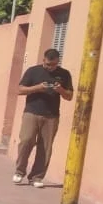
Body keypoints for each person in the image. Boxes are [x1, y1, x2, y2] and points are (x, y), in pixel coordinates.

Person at [14, 48, 73, 188]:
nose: (50, 67)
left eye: (53, 65)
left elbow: (69, 96)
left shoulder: (64, 74)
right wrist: (38, 88)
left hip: (51, 115)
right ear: (43, 60)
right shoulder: (33, 71)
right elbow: (20, 90)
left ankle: (37, 177)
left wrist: (60, 90)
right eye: (47, 64)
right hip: (32, 112)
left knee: (45, 147)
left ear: (58, 62)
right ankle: (19, 171)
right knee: (26, 140)